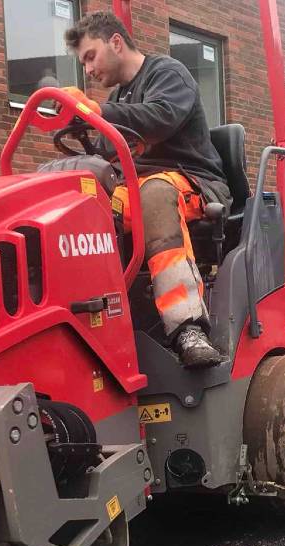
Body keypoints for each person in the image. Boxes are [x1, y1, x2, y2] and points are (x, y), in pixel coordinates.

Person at [62, 11, 229, 368]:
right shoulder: (122, 96)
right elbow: (115, 151)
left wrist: (100, 112)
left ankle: (188, 326)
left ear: (116, 42)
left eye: (90, 56)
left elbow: (160, 118)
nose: (88, 70)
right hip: (139, 185)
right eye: (83, 63)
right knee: (83, 204)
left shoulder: (168, 74)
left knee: (152, 195)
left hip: (192, 181)